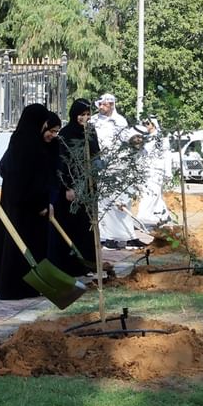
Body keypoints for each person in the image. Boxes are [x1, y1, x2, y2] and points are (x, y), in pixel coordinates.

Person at [0, 105, 61, 300]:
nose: (45, 126)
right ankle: (20, 288)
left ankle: (20, 286)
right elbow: (30, 180)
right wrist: (41, 205)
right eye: (44, 122)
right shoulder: (31, 145)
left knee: (15, 248)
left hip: (16, 204)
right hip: (29, 209)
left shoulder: (19, 140)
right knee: (24, 249)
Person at [49, 98, 99, 276]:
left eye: (87, 114)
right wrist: (68, 187)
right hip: (72, 186)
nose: (84, 118)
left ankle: (88, 264)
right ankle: (71, 265)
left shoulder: (91, 131)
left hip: (89, 186)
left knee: (88, 226)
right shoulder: (66, 134)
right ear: (74, 114)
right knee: (72, 224)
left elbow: (95, 155)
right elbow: (62, 163)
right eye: (81, 114)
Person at [89, 94, 141, 250]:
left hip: (118, 167)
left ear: (112, 105)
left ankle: (125, 235)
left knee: (121, 202)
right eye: (101, 104)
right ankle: (106, 237)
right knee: (104, 202)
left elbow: (128, 137)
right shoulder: (93, 121)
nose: (102, 107)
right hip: (101, 166)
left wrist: (136, 140)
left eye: (106, 105)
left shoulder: (120, 121)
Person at [134, 117, 172, 229]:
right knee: (154, 193)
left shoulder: (161, 139)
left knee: (151, 193)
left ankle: (141, 218)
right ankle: (164, 215)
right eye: (144, 123)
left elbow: (167, 155)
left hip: (156, 170)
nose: (145, 125)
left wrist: (168, 172)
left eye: (147, 123)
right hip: (146, 170)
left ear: (153, 124)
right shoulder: (145, 138)